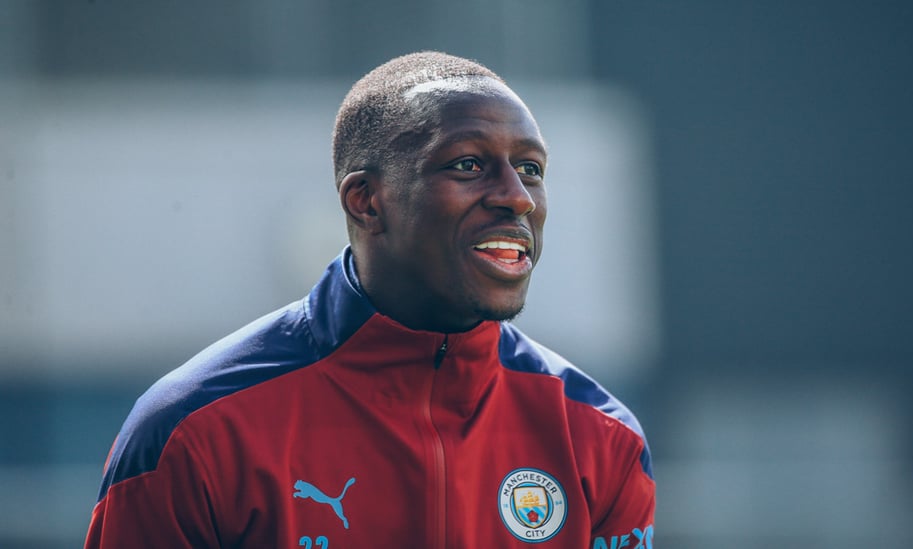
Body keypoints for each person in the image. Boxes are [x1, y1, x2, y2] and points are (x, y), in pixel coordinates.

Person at [84, 51, 655, 548]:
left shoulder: (600, 437)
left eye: (530, 169)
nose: (516, 197)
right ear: (366, 202)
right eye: (468, 165)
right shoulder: (195, 430)